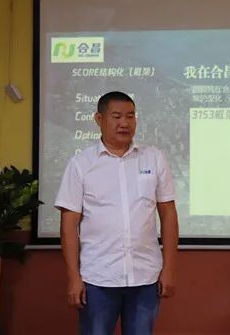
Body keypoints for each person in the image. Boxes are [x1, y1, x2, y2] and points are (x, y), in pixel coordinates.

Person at [55, 91, 179, 335]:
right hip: (97, 278)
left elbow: (168, 215)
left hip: (146, 276)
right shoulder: (81, 164)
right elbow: (68, 224)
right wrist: (73, 277)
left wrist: (169, 268)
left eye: (130, 116)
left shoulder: (154, 158)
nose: (124, 123)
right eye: (117, 116)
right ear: (99, 119)